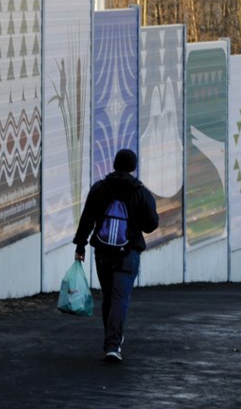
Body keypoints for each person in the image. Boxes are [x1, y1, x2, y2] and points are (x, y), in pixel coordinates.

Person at [73, 149, 159, 363]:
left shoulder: (100, 188)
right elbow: (151, 225)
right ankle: (113, 344)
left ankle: (111, 341)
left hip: (103, 253)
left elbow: (87, 219)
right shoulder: (140, 192)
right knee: (120, 298)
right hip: (128, 253)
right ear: (133, 167)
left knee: (109, 297)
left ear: (114, 165)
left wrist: (80, 246)